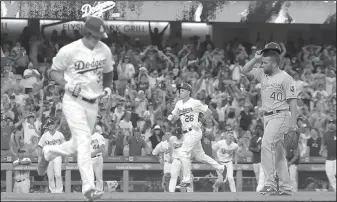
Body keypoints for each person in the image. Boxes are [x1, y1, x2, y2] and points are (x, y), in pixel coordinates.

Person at [37, 16, 114, 201]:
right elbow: (53, 72)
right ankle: (89, 188)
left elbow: (109, 71)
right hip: (73, 102)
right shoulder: (69, 50)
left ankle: (49, 152)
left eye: (100, 35)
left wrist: (108, 87)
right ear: (87, 33)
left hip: (92, 103)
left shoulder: (104, 50)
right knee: (84, 143)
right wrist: (67, 84)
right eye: (96, 35)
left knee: (75, 145)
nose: (99, 39)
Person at [241, 42, 298, 196]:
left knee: (266, 144)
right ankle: (286, 187)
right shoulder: (262, 73)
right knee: (279, 154)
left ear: (274, 63)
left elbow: (293, 102)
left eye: (265, 62)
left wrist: (293, 125)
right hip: (268, 117)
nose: (262, 64)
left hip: (281, 115)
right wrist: (255, 59)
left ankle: (270, 184)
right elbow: (244, 70)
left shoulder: (286, 78)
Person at [167, 83, 226, 191]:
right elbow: (174, 117)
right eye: (180, 90)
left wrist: (200, 122)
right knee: (200, 156)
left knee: (183, 153)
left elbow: (208, 112)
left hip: (194, 131)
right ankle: (221, 168)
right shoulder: (178, 103)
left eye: (183, 90)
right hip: (186, 133)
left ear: (189, 92)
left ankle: (186, 180)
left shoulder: (194, 102)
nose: (180, 92)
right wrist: (172, 118)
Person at [38, 118, 65, 193]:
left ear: (54, 125)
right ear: (47, 126)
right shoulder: (45, 136)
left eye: (52, 124)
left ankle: (59, 191)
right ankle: (53, 191)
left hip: (57, 156)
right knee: (50, 176)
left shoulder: (60, 134)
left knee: (58, 174)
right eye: (49, 125)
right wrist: (40, 157)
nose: (51, 126)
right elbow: (40, 146)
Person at [248, 123, 265, 192]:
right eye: (257, 129)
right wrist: (256, 149)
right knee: (257, 177)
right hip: (255, 160)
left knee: (262, 177)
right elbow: (249, 148)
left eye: (260, 129)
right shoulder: (253, 138)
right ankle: (260, 190)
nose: (258, 130)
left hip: (262, 160)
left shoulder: (265, 138)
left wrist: (262, 147)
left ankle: (260, 189)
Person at [321, 118, 336, 192]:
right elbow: (323, 144)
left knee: (335, 172)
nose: (331, 124)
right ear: (327, 124)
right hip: (329, 158)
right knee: (329, 174)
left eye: (333, 123)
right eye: (330, 123)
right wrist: (321, 150)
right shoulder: (325, 133)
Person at [91, 125, 106, 192]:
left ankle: (99, 191)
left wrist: (93, 154)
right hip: (88, 159)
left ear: (94, 128)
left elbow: (102, 148)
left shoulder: (99, 136)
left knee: (98, 176)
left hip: (97, 158)